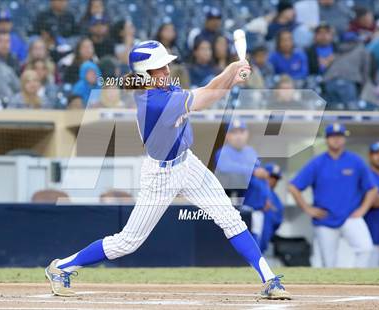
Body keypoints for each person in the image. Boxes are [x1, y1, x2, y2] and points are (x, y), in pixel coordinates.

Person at [45, 40, 290, 300]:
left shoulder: (160, 87)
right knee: (127, 242)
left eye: (165, 66)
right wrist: (232, 72)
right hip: (160, 176)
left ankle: (270, 280)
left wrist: (232, 75)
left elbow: (210, 89)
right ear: (144, 74)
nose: (166, 71)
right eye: (159, 68)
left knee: (230, 218)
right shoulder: (156, 102)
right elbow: (210, 94)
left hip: (188, 163)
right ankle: (60, 267)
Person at [288, 123, 378, 268]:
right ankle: (333, 288)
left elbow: (372, 188)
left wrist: (363, 210)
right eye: (332, 136)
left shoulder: (355, 161)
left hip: (350, 216)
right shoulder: (317, 162)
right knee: (328, 262)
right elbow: (293, 186)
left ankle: (357, 280)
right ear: (326, 139)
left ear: (344, 139)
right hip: (325, 218)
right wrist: (308, 209)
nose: (336, 140)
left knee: (366, 248)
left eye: (339, 136)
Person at [214, 120, 270, 248]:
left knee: (257, 239)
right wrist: (252, 170)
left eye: (241, 132)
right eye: (234, 132)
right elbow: (225, 167)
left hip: (255, 205)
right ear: (228, 136)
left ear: (247, 134)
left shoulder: (251, 152)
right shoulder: (223, 152)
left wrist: (267, 197)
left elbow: (262, 176)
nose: (238, 136)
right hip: (233, 206)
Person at [260, 163, 285, 253]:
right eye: (271, 177)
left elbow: (277, 222)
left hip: (264, 243)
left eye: (276, 178)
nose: (273, 181)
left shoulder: (276, 200)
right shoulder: (254, 191)